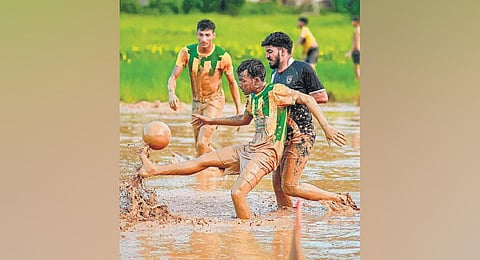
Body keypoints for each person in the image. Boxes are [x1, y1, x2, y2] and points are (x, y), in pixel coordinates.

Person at [137, 58, 347, 219]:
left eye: (243, 81)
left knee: (237, 193)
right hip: (250, 148)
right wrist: (211, 121)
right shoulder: (252, 97)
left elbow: (309, 99)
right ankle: (154, 170)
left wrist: (326, 127)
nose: (240, 84)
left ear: (256, 80)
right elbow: (243, 119)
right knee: (202, 161)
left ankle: (245, 233)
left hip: (267, 153)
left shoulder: (276, 91)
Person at [261, 31, 359, 211]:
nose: (267, 56)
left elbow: (321, 96)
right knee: (278, 185)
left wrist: (295, 97)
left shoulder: (303, 68)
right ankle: (286, 219)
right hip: (283, 135)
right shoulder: (274, 75)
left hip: (302, 134)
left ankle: (339, 199)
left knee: (290, 186)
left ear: (282, 51)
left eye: (269, 52)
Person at [167, 19, 242, 157]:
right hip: (196, 102)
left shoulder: (222, 56)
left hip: (214, 101)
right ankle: (215, 170)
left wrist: (238, 109)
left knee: (202, 143)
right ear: (196, 34)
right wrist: (171, 93)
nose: (204, 39)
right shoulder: (187, 52)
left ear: (214, 35)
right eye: (201, 35)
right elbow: (173, 77)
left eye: (207, 35)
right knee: (200, 147)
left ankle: (223, 162)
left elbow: (232, 83)